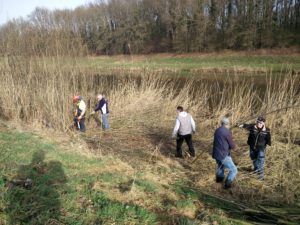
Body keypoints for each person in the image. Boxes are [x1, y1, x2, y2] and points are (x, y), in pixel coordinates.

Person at [239, 116, 271, 180]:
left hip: (261, 148)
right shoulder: (252, 127)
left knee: (261, 161)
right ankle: (256, 170)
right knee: (253, 159)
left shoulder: (266, 131)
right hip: (252, 146)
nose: (259, 124)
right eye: (258, 122)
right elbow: (245, 126)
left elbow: (268, 139)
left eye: (261, 123)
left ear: (264, 123)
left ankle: (261, 176)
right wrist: (240, 125)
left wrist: (266, 145)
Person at [212, 117, 237, 189]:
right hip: (223, 155)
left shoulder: (217, 130)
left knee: (220, 166)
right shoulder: (227, 132)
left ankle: (219, 182)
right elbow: (231, 144)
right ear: (227, 124)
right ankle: (227, 184)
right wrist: (235, 147)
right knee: (234, 170)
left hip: (216, 154)